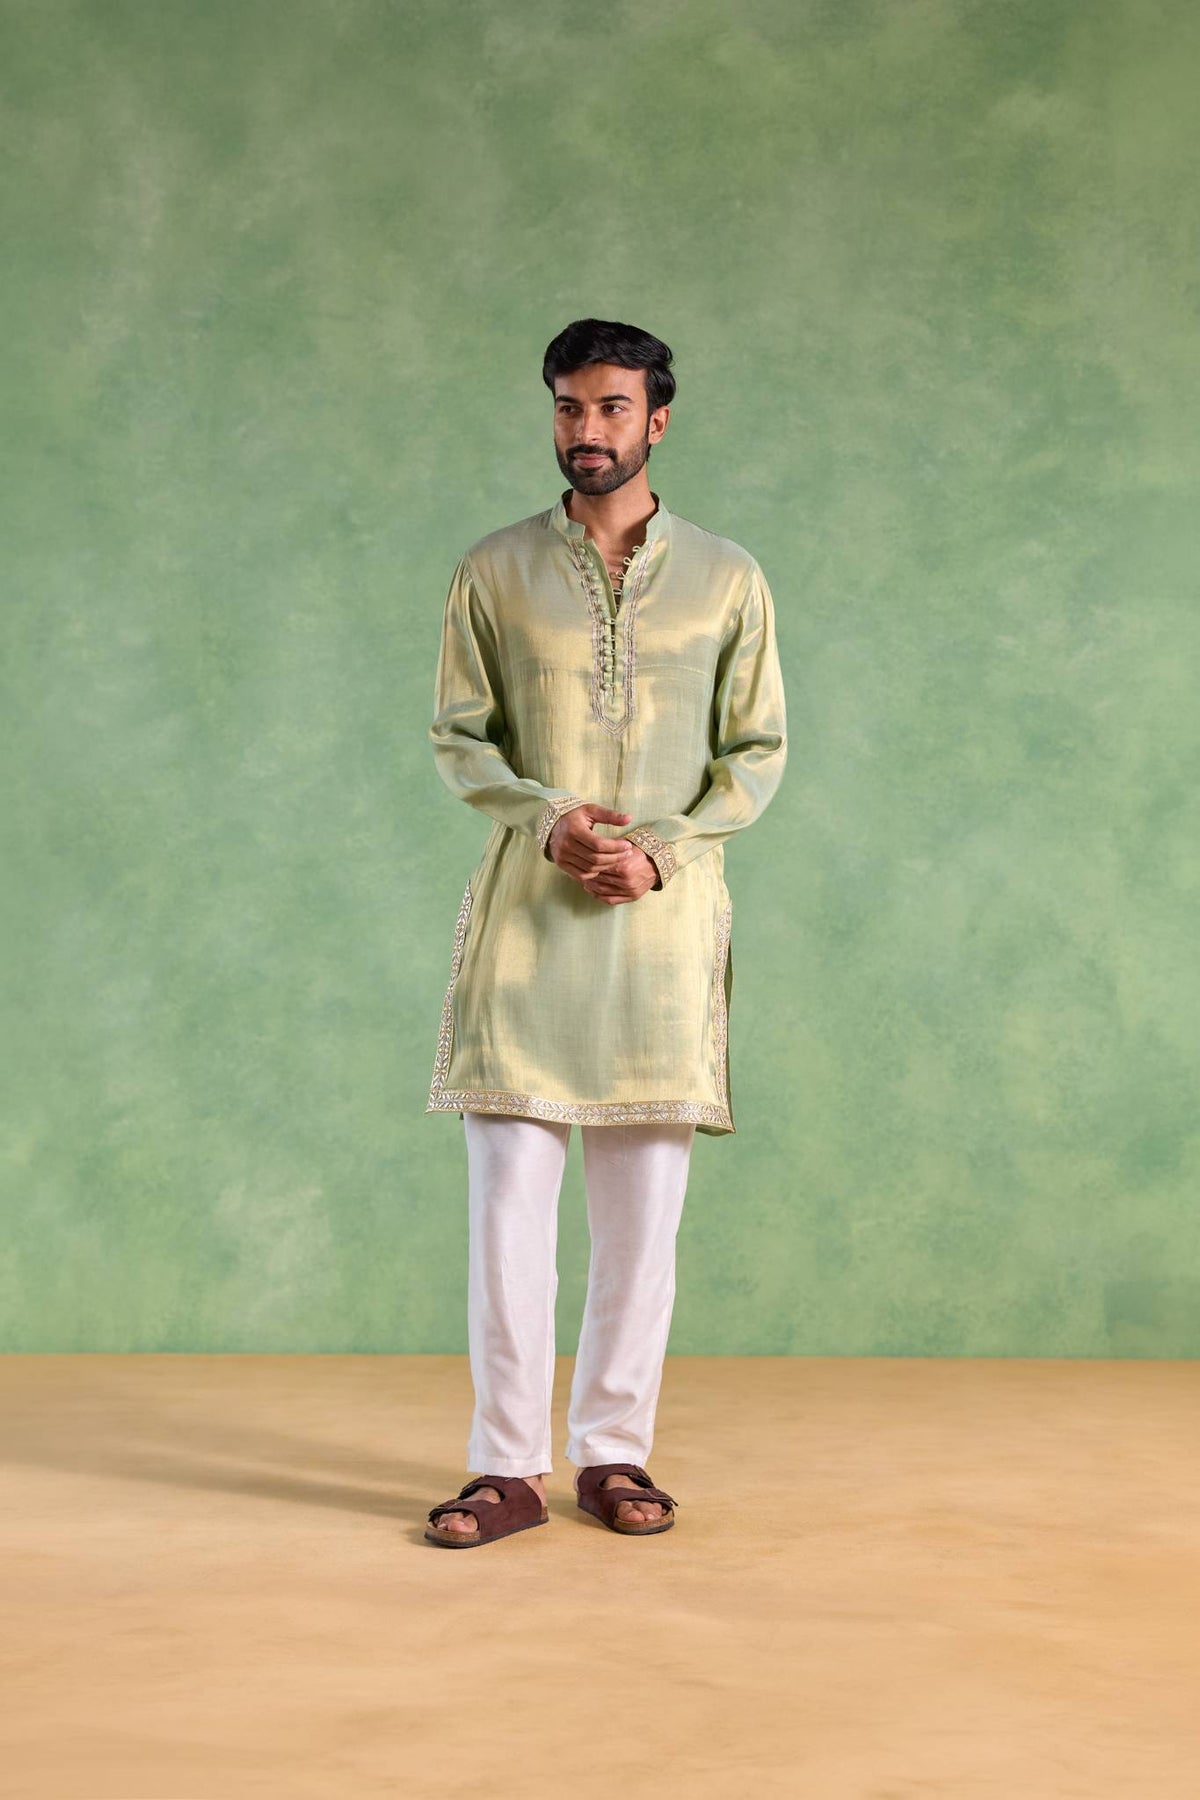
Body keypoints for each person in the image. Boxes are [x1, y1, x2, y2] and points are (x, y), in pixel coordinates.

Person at [423, 318, 788, 1547]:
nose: (587, 429)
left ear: (657, 421)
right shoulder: (495, 570)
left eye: (612, 407)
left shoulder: (728, 578)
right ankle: (505, 1468)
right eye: (570, 407)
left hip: (661, 932)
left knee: (640, 1227)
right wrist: (552, 820)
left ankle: (616, 1454)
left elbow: (755, 753)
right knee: (507, 1218)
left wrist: (660, 848)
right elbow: (460, 738)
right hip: (530, 920)